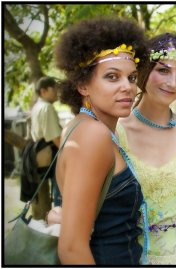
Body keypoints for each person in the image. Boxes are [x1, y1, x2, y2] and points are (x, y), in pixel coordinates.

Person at [53, 17, 147, 264]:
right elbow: (72, 248)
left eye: (132, 77)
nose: (128, 87)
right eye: (113, 77)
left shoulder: (81, 127)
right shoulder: (92, 135)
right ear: (83, 85)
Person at [116, 32, 176, 264]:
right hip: (128, 257)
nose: (172, 83)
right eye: (163, 70)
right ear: (144, 70)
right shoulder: (115, 132)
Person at [30, 76, 62, 219]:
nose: (57, 92)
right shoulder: (46, 107)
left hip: (38, 154)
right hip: (50, 153)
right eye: (54, 89)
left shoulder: (37, 106)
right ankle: (58, 221)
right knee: (59, 191)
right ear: (43, 91)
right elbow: (56, 138)